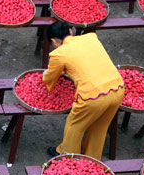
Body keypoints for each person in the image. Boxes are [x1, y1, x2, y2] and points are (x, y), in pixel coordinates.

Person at [43, 21, 125, 160]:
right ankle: (92, 159)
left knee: (75, 125)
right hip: (117, 89)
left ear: (53, 41)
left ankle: (66, 156)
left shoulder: (59, 54)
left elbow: (49, 78)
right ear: (71, 32)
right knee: (100, 127)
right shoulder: (91, 37)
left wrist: (46, 75)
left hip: (93, 97)